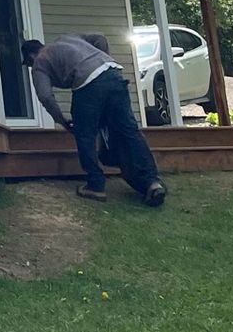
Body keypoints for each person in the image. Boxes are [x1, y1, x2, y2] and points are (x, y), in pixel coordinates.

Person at [22, 35, 166, 206]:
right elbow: (100, 39)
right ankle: (152, 181)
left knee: (85, 134)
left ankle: (95, 185)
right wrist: (102, 63)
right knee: (129, 131)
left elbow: (45, 96)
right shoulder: (67, 39)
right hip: (113, 72)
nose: (31, 66)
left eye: (29, 63)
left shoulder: (40, 61)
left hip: (88, 85)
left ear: (31, 56)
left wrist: (62, 120)